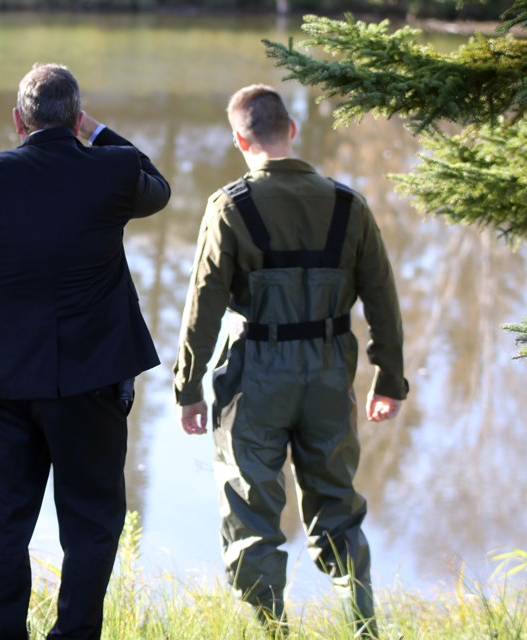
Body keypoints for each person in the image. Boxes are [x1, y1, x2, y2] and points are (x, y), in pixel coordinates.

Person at [0, 62, 170, 640]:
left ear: (16, 121)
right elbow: (158, 186)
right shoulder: (114, 169)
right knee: (91, 525)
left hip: (0, 377)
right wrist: (100, 135)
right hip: (94, 378)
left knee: (1, 524)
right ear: (77, 119)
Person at [173, 84, 408, 639]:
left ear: (239, 139)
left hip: (255, 375)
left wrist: (187, 387)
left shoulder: (229, 206)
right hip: (329, 374)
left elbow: (203, 304)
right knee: (338, 512)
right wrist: (389, 379)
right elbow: (382, 299)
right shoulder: (350, 206)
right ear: (292, 131)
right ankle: (364, 629)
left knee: (253, 518)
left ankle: (273, 632)